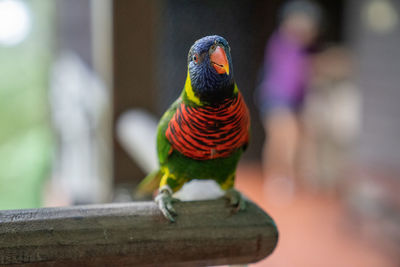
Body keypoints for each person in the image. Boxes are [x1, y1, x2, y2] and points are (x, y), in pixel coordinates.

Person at [258, 0, 322, 203]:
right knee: (283, 136)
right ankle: (278, 178)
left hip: (296, 102)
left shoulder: (306, 48)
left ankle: (292, 177)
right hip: (275, 97)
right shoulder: (283, 42)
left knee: (300, 138)